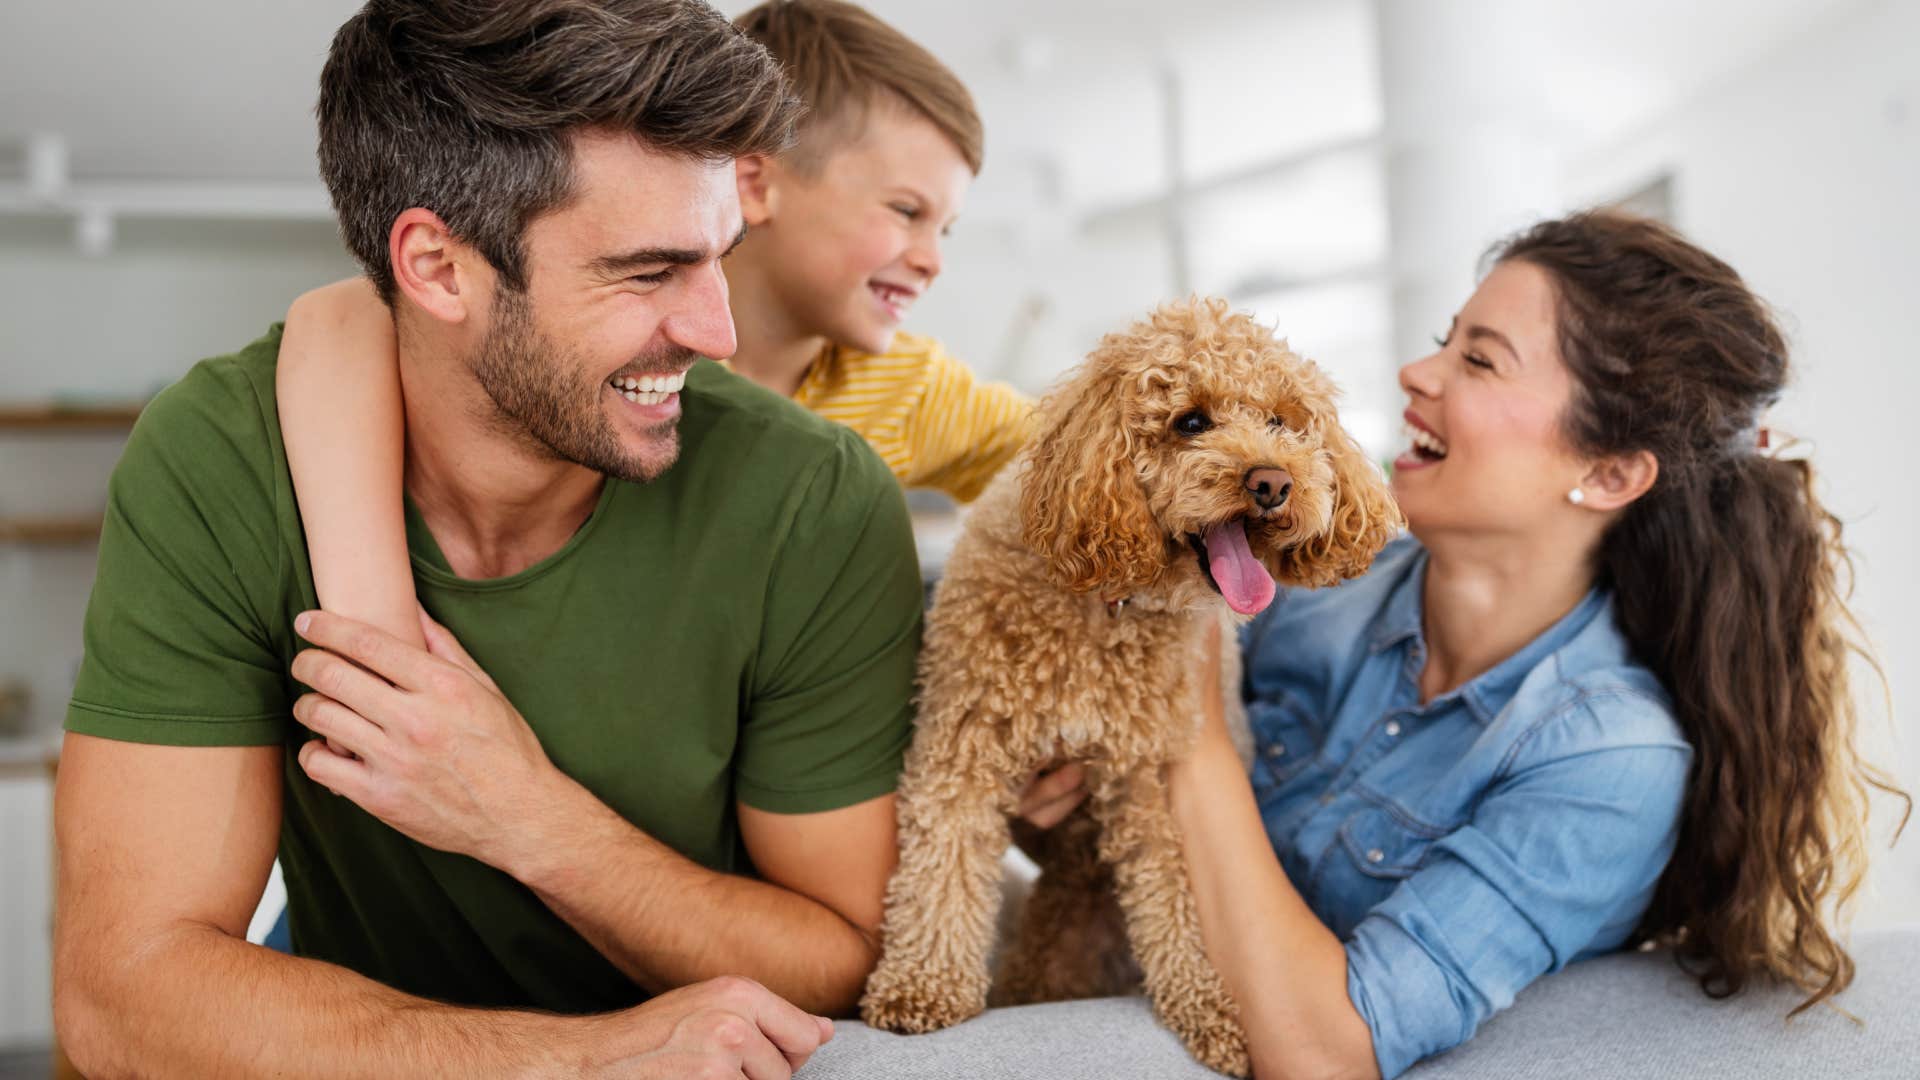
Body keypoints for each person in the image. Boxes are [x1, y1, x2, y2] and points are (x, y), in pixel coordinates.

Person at [54, 2, 927, 1075]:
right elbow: (122, 992)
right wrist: (582, 1062)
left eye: (719, 258)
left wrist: (525, 817)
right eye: (648, 272)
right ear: (436, 268)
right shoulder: (222, 461)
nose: (718, 332)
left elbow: (844, 956)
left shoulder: (814, 502)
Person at [1023, 210, 1909, 1078]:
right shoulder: (1312, 589)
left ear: (1608, 473)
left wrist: (1185, 718)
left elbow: (1328, 1050)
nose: (1416, 371)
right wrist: (1060, 786)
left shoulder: (1611, 761)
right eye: (1445, 340)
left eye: (1478, 359)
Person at [277, 0, 1035, 652]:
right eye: (907, 210)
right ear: (755, 181)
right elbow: (341, 318)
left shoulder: (913, 388)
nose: (933, 260)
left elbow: (1086, 465)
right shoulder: (610, 353)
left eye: (949, 228)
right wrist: (372, 615)